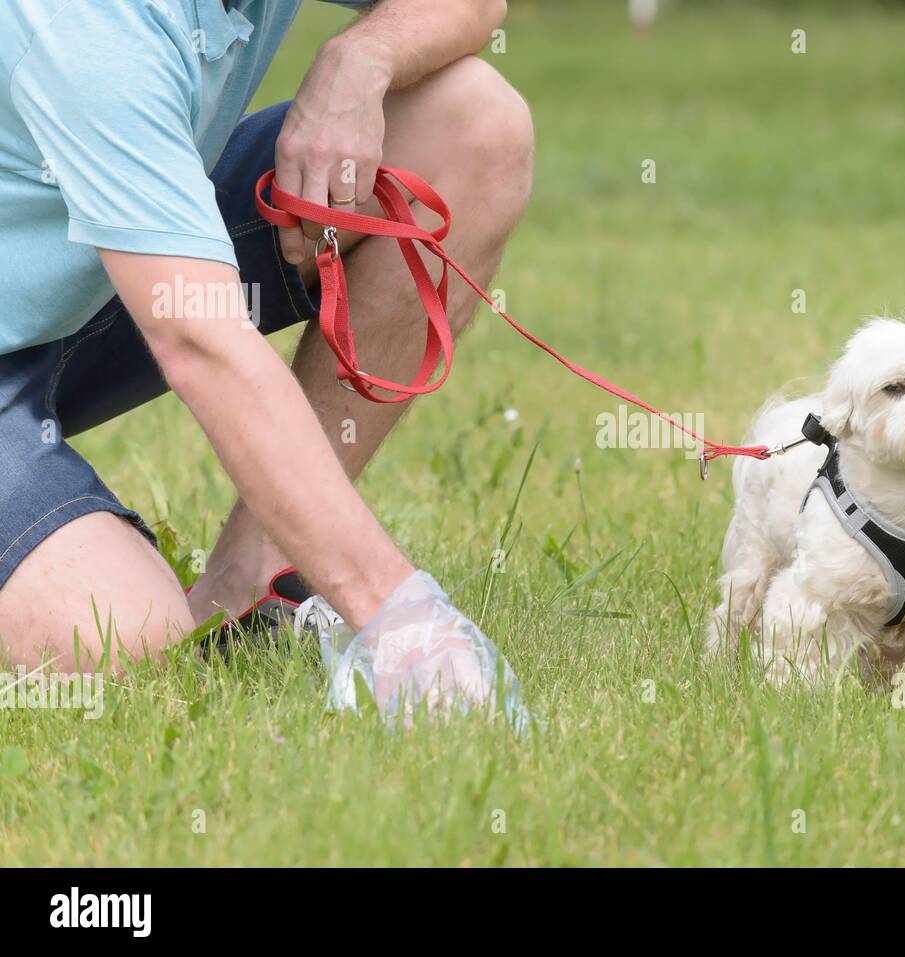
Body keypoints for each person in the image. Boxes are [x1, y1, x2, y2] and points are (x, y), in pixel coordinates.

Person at [0, 0, 534, 669]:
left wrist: (361, 56)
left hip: (93, 270)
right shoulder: (83, 24)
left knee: (471, 124)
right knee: (123, 636)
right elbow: (199, 340)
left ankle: (250, 582)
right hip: (121, 283)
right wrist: (400, 618)